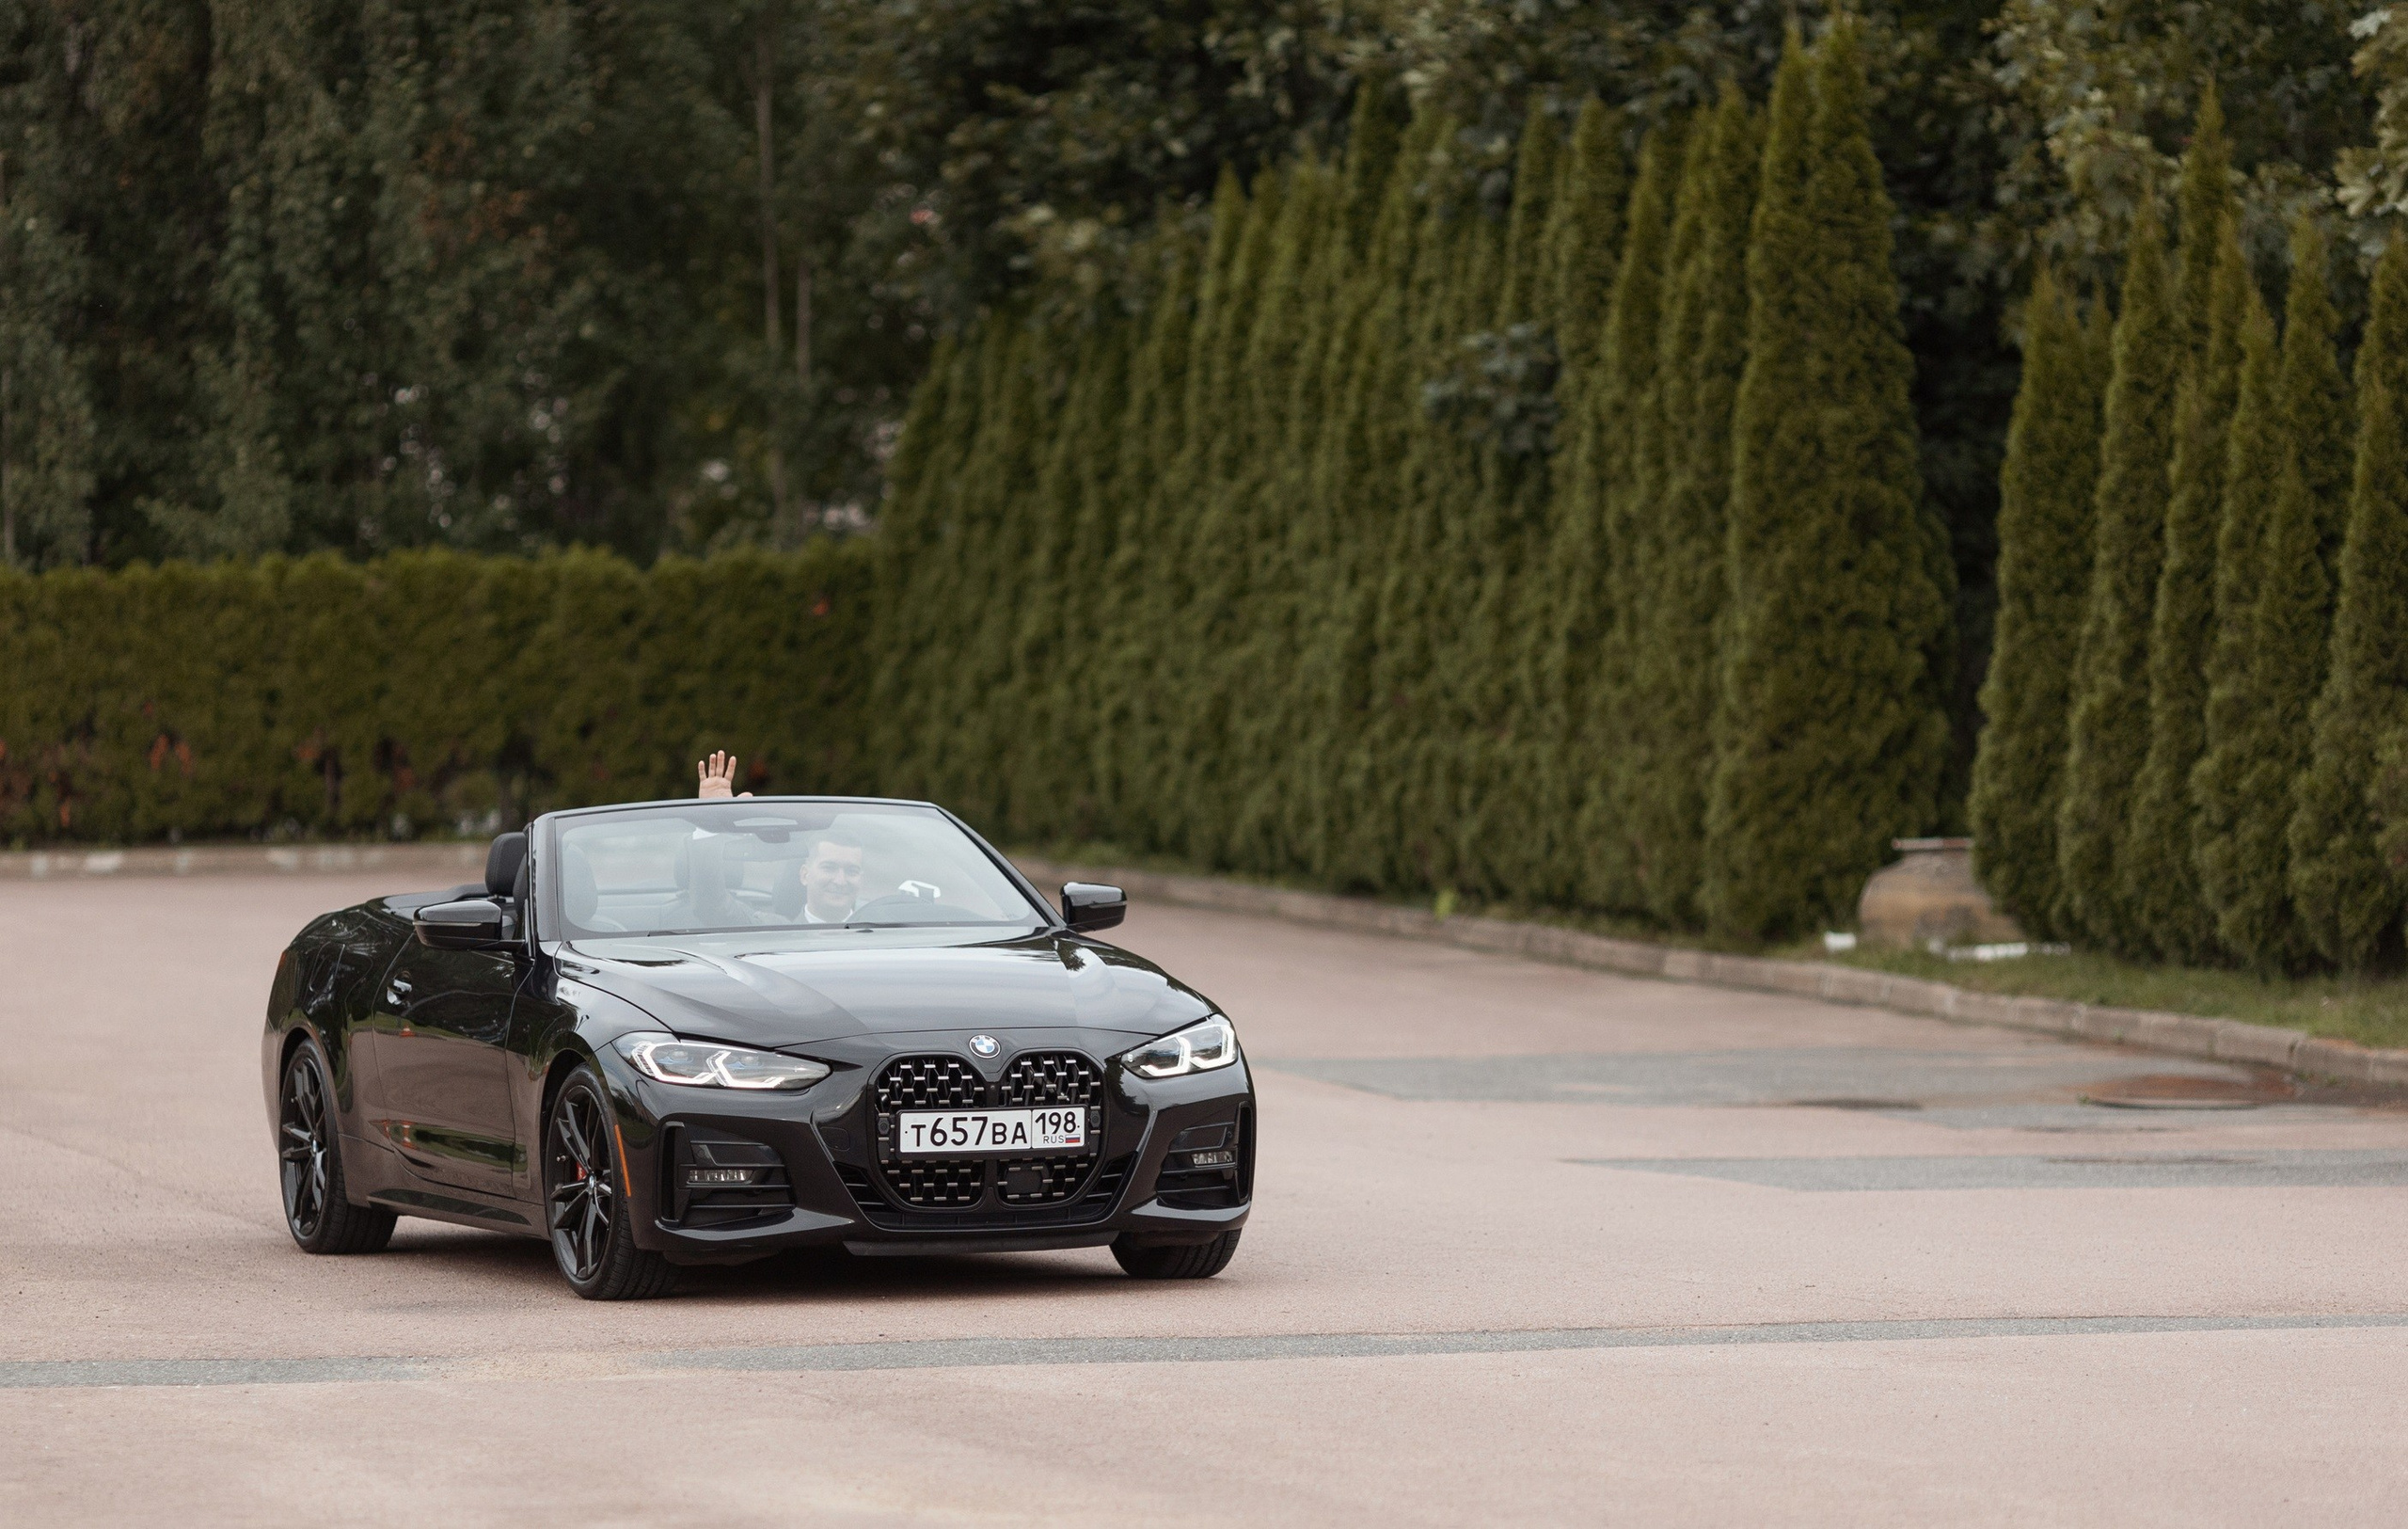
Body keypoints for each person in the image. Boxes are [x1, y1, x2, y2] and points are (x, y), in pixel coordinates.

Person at [693, 751, 863, 924]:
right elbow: (713, 907)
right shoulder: (771, 929)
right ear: (805, 875)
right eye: (829, 868)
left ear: (861, 879)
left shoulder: (881, 924)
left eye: (852, 871)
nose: (841, 881)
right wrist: (711, 819)